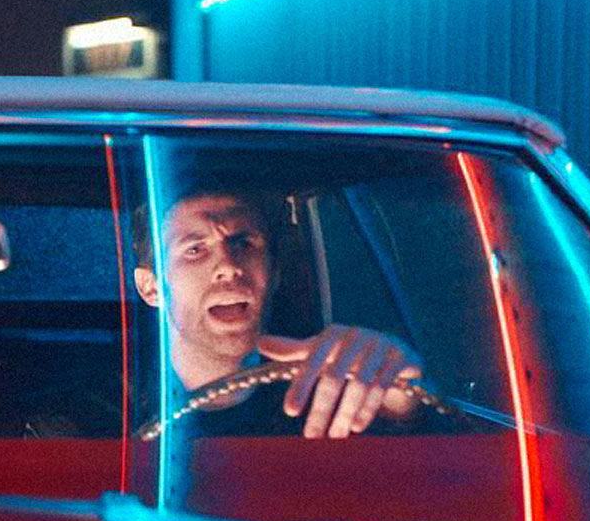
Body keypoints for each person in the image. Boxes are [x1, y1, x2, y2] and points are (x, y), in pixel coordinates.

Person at [133, 188, 423, 439]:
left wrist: (402, 399)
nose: (229, 266)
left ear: (275, 273)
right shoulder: (115, 409)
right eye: (195, 249)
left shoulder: (328, 394)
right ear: (151, 288)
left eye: (243, 243)